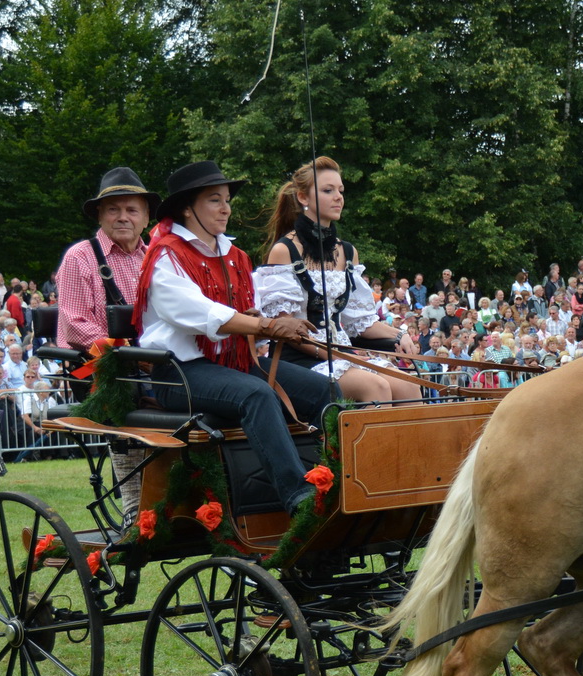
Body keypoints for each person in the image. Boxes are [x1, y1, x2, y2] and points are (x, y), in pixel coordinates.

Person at [134, 160, 334, 518]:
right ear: (186, 208)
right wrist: (267, 327)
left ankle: (336, 482)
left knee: (327, 389)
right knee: (257, 395)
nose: (226, 208)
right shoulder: (166, 255)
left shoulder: (235, 255)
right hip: (179, 372)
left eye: (227, 199)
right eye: (214, 200)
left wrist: (266, 319)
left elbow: (244, 311)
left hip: (234, 363)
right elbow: (198, 312)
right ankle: (299, 499)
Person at [256, 156, 420, 405]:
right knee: (376, 387)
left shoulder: (348, 252)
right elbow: (286, 329)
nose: (338, 197)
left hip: (343, 355)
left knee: (409, 384)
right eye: (328, 190)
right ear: (303, 197)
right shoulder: (284, 251)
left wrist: (399, 335)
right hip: (301, 359)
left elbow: (360, 322)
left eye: (340, 190)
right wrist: (343, 358)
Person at [58, 167, 158, 348]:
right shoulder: (79, 257)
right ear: (100, 216)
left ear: (146, 218)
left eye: (132, 210)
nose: (123, 217)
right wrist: (132, 355)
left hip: (157, 362)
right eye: (113, 210)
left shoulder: (157, 258)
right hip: (99, 368)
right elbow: (76, 327)